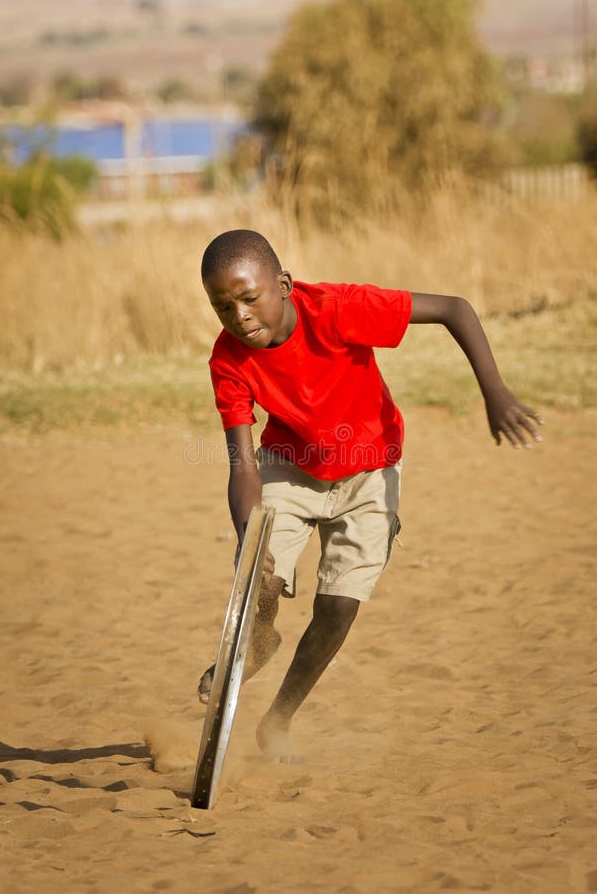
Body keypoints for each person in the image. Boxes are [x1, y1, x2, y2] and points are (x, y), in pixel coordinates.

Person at [198, 228, 542, 762]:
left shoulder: (338, 309)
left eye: (249, 298)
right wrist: (251, 536)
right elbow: (241, 466)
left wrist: (494, 392)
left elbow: (455, 309)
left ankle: (279, 719)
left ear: (284, 285)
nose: (239, 315)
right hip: (290, 469)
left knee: (338, 607)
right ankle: (258, 633)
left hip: (371, 471)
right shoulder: (228, 361)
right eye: (223, 307)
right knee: (259, 574)